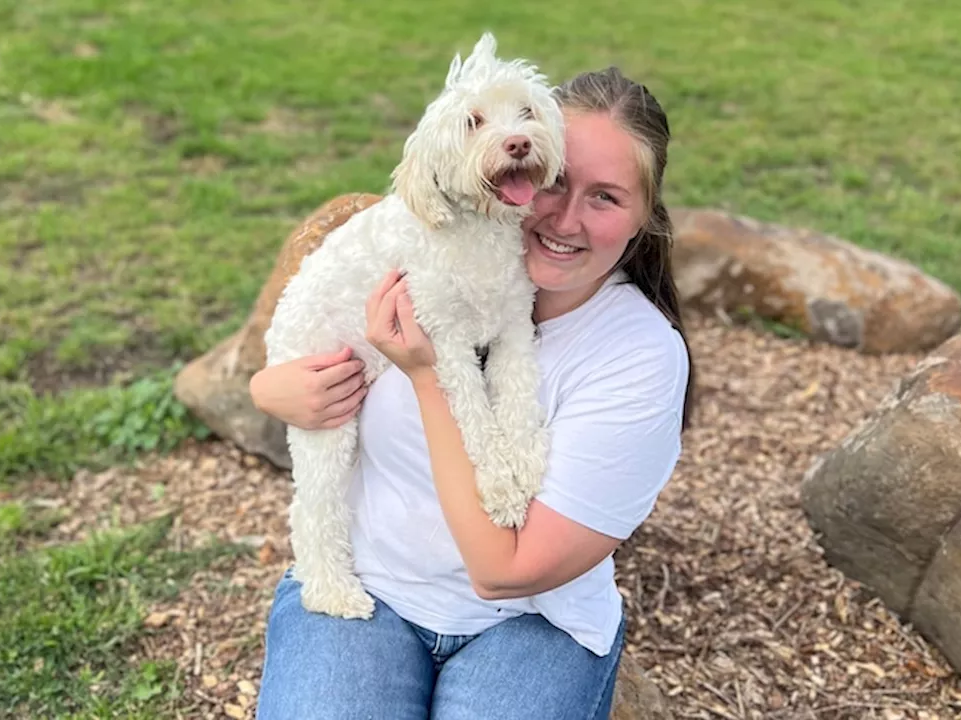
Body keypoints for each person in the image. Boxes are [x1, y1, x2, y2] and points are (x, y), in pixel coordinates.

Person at [248, 64, 695, 719]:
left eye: (605, 197)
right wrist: (271, 389)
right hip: (372, 589)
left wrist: (427, 375)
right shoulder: (432, 245)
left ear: (642, 218)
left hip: (530, 620)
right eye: (559, 181)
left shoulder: (637, 355)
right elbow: (313, 317)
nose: (566, 219)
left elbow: (505, 572)